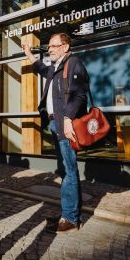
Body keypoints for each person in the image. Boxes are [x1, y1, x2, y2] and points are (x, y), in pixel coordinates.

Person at [23, 33, 89, 234]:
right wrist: (28, 53)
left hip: (65, 125)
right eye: (48, 46)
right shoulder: (55, 68)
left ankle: (70, 217)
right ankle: (67, 212)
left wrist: (68, 119)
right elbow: (41, 68)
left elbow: (79, 95)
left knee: (69, 171)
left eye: (54, 46)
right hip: (55, 124)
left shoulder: (74, 63)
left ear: (65, 47)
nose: (49, 49)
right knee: (64, 170)